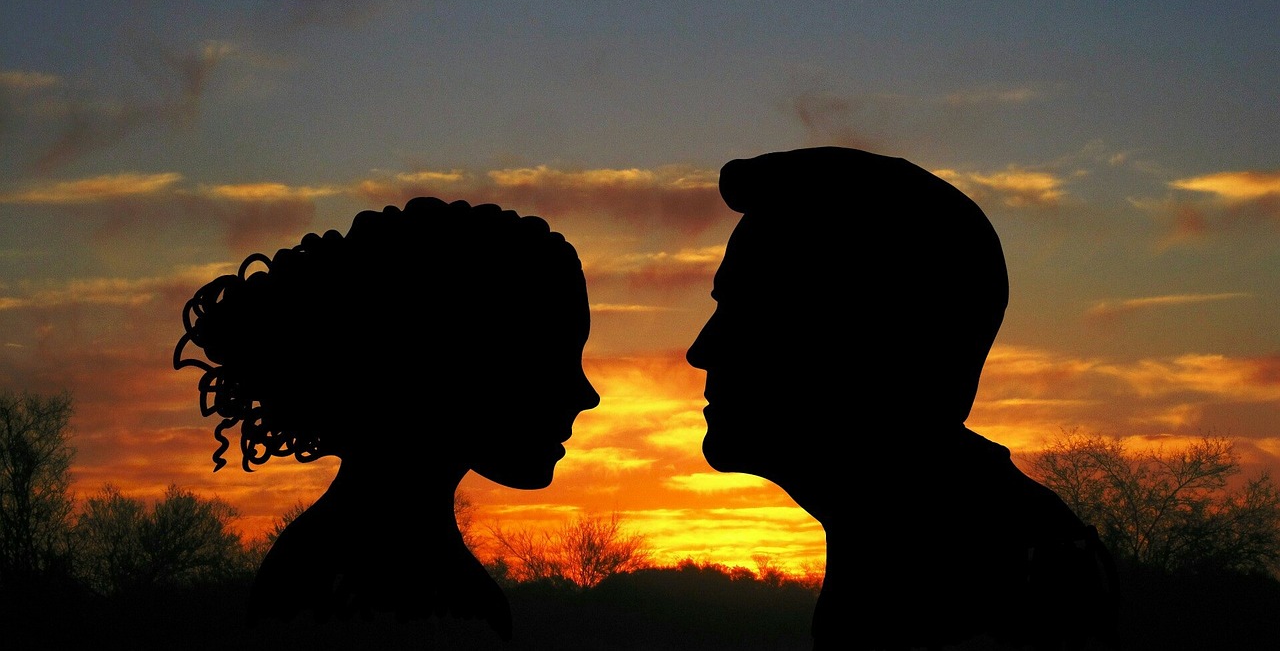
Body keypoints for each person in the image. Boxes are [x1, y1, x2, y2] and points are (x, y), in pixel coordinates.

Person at [686, 147, 1118, 651]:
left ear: (866, 339)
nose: (701, 350)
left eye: (751, 312)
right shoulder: (946, 553)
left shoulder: (1005, 584)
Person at [174, 197, 599, 642]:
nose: (585, 395)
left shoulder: (326, 564)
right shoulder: (392, 596)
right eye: (550, 359)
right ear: (439, 364)